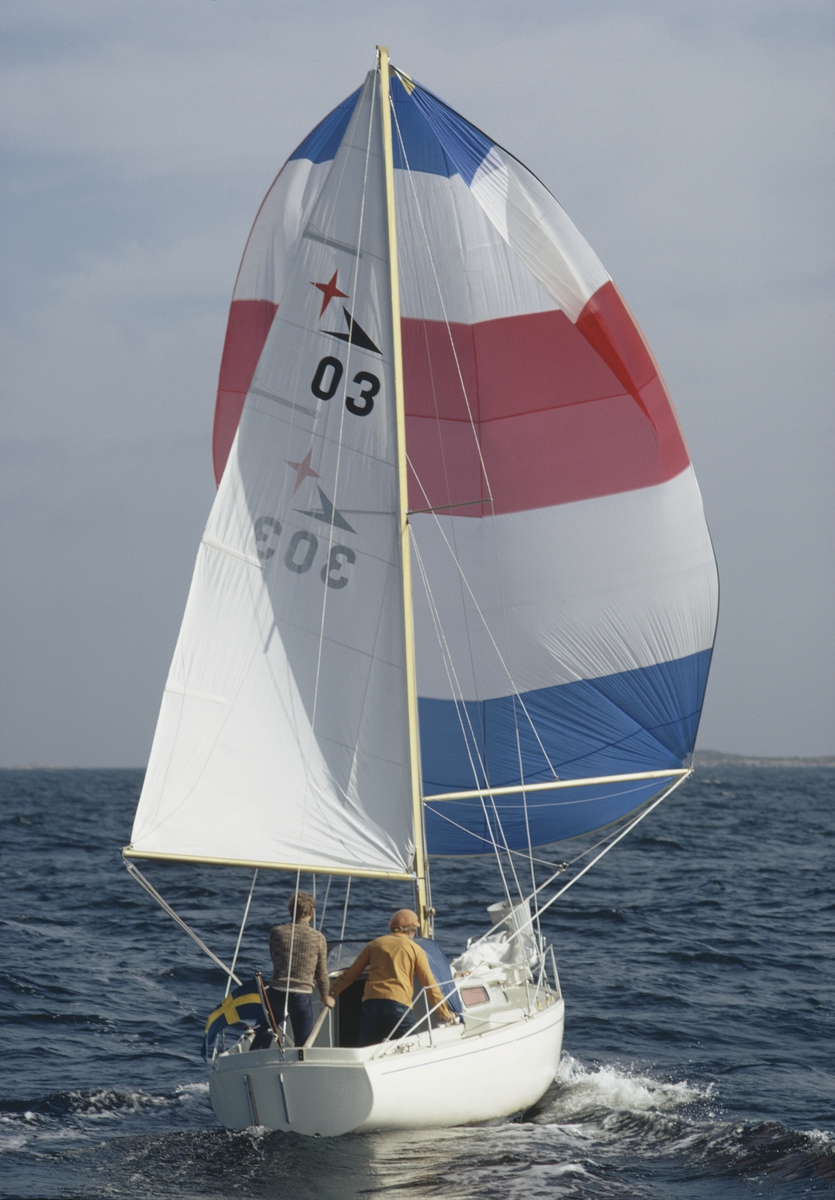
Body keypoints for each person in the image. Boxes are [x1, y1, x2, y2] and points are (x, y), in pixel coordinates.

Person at [329, 908, 456, 1046]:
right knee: (414, 1044)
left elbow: (352, 973)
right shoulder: (414, 948)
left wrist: (332, 992)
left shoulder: (375, 944)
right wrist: (443, 1011)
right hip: (398, 1003)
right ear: (411, 930)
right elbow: (428, 981)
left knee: (366, 1046)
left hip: (370, 1002)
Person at [252, 891, 334, 1049]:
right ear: (311, 912)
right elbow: (321, 973)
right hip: (301, 996)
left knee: (265, 1033)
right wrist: (325, 996)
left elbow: (275, 958)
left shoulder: (276, 932)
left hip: (276, 992)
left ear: (291, 911)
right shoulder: (318, 938)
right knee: (302, 1045)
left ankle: (250, 1063)